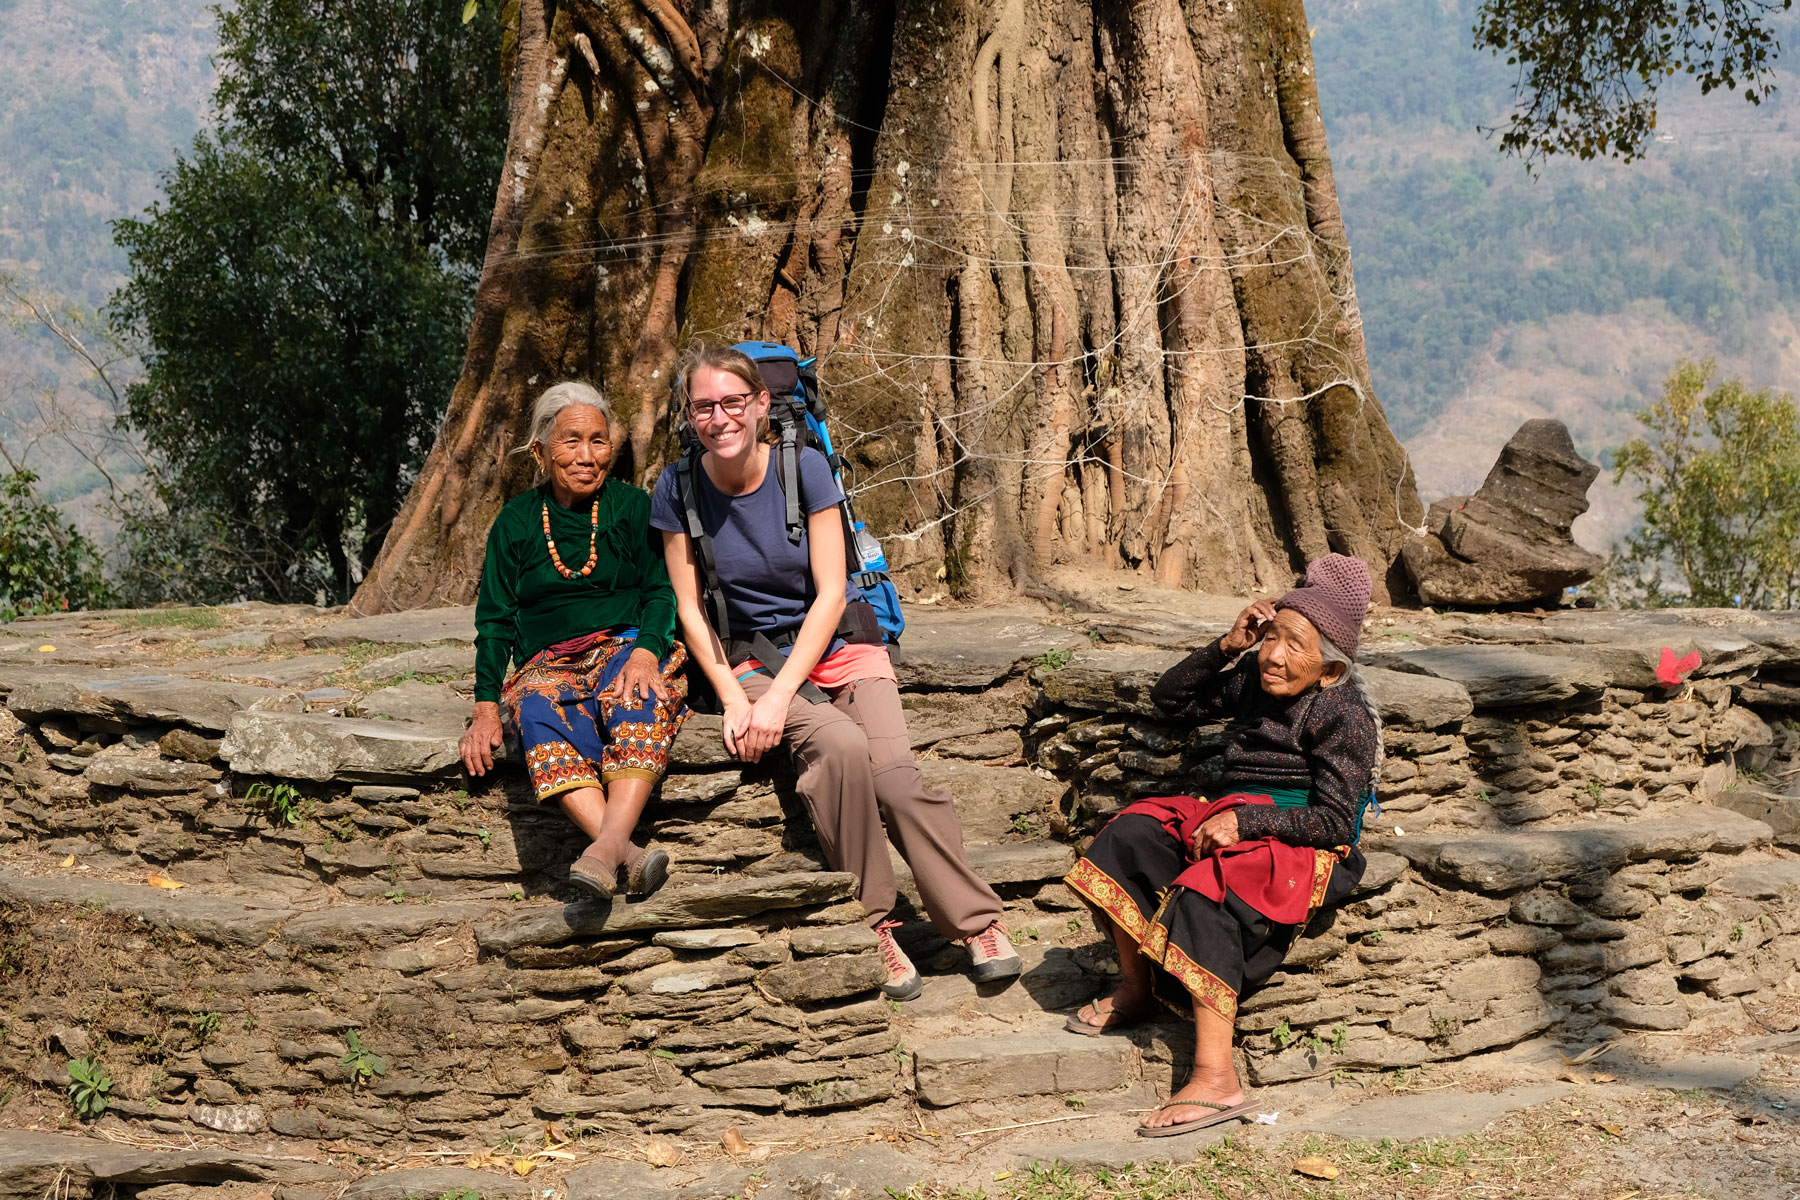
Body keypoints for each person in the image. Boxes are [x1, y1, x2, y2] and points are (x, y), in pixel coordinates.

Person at [651, 344, 1020, 1001]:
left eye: (733, 402)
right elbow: (688, 606)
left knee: (899, 782)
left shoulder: (806, 467)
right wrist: (738, 699)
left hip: (839, 644)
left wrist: (781, 697)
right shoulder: (677, 487)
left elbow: (829, 593)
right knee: (838, 745)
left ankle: (977, 923)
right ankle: (878, 921)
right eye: (704, 407)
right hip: (749, 656)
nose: (719, 418)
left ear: (761, 404)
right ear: (689, 414)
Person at [1063, 554, 1381, 1137]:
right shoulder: (1255, 677)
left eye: (1295, 644)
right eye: (1271, 636)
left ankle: (1217, 1077)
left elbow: (1337, 822)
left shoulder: (1345, 714)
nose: (1275, 655)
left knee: (1206, 890)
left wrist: (1251, 824)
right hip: (1233, 819)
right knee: (1128, 834)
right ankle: (1136, 990)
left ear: (1331, 669)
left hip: (1302, 842)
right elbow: (1173, 702)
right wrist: (1225, 646)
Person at [462, 381, 690, 899]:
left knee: (639, 696)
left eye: (598, 440)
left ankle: (602, 853)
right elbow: (495, 621)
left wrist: (648, 652)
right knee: (538, 714)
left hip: (624, 647)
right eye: (571, 441)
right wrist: (485, 707)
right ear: (541, 451)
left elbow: (660, 592)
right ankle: (626, 854)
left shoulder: (633, 507)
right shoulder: (516, 522)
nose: (587, 456)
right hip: (547, 662)